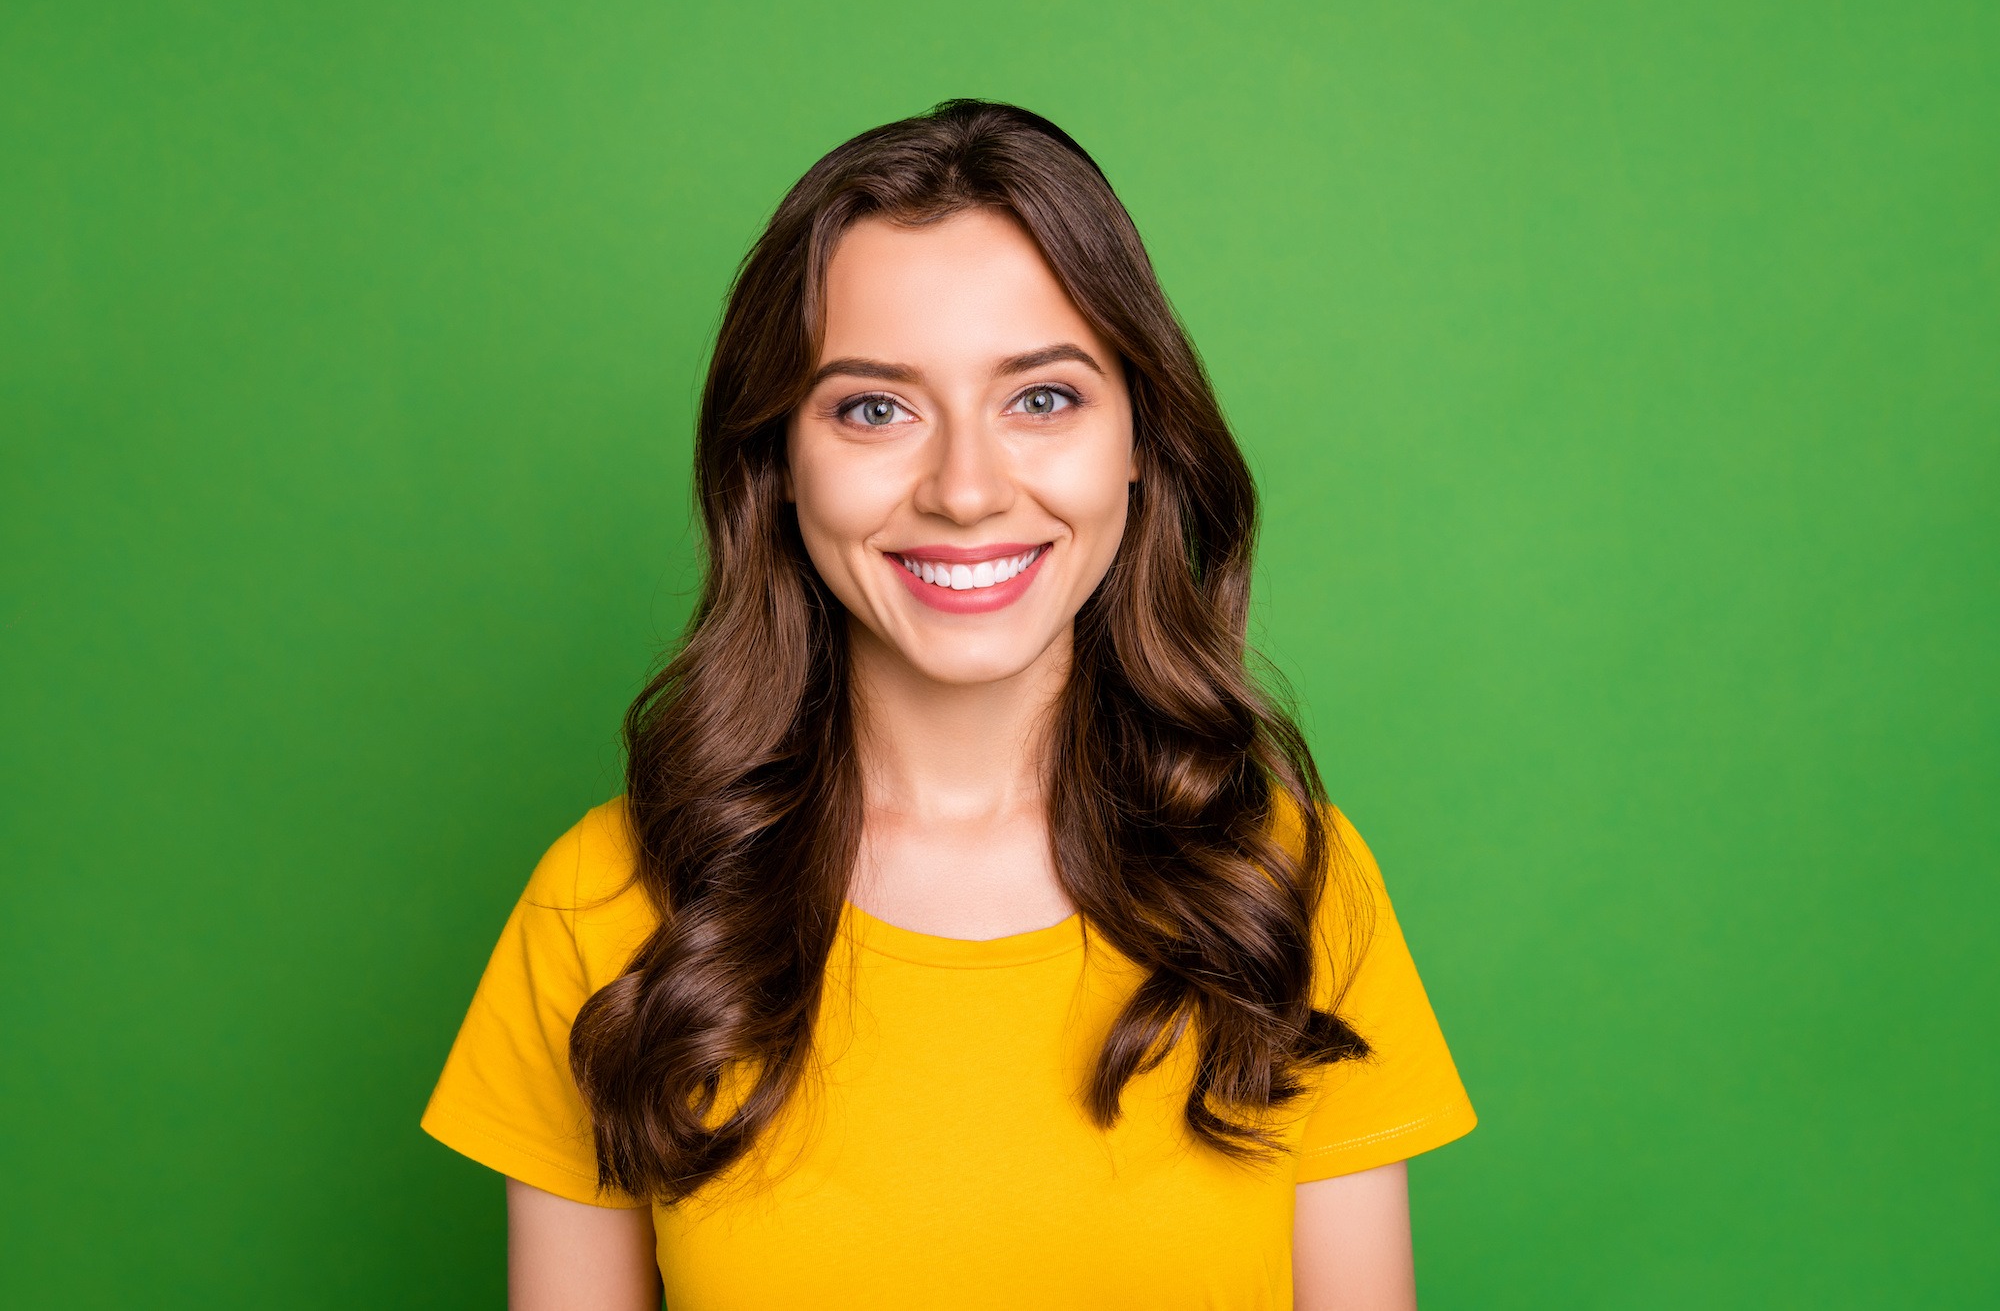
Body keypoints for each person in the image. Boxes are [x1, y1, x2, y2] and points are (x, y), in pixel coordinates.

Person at [421, 99, 1475, 1310]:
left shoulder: (1285, 886)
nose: (966, 490)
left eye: (1041, 398)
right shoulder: (605, 907)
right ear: (777, 461)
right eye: (874, 407)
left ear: (1139, 434)